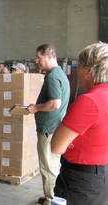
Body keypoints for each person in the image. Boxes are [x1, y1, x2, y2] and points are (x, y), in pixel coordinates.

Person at [51, 42, 108, 205]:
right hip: (102, 173)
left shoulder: (89, 101)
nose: (77, 71)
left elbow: (56, 146)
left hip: (81, 180)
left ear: (89, 71)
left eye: (79, 66)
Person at [27, 44, 70, 205]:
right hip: (54, 127)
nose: (37, 61)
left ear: (49, 56)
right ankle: (50, 196)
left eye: (39, 57)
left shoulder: (52, 76)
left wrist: (35, 108)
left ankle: (52, 199)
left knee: (48, 166)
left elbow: (55, 103)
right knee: (52, 163)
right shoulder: (60, 74)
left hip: (48, 129)